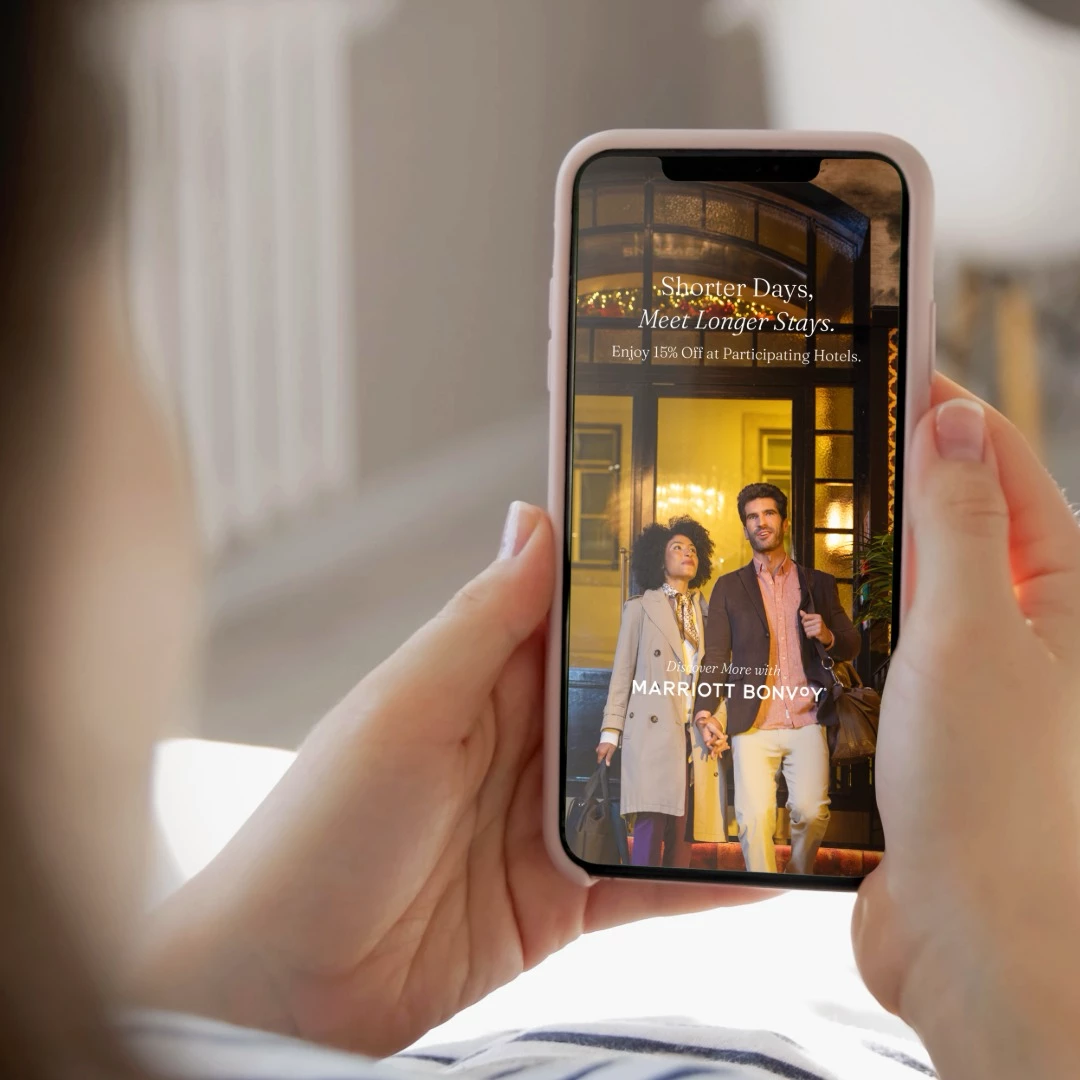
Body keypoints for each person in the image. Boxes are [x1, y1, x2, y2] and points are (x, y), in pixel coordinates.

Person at [5, 3, 1080, 1079]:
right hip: (733, 744)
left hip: (787, 739)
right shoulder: (696, 603)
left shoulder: (774, 590)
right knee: (687, 821)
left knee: (783, 834)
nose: (727, 539)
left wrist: (248, 987)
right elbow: (659, 682)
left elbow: (810, 651)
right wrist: (1017, 967)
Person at [692, 483, 860, 875]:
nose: (760, 522)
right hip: (753, 722)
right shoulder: (729, 588)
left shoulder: (817, 583)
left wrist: (828, 635)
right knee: (753, 818)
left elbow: (851, 643)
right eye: (752, 517)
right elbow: (716, 656)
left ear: (783, 522)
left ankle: (797, 880)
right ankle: (764, 892)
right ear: (746, 527)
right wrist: (704, 711)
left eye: (768, 514)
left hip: (807, 718)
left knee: (812, 812)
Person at [594, 518, 728, 868]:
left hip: (692, 733)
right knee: (650, 832)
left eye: (693, 549)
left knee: (684, 835)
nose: (687, 553)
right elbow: (623, 673)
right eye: (677, 548)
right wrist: (611, 731)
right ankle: (639, 899)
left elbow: (715, 672)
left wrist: (716, 717)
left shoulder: (706, 611)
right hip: (653, 732)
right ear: (659, 559)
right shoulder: (640, 607)